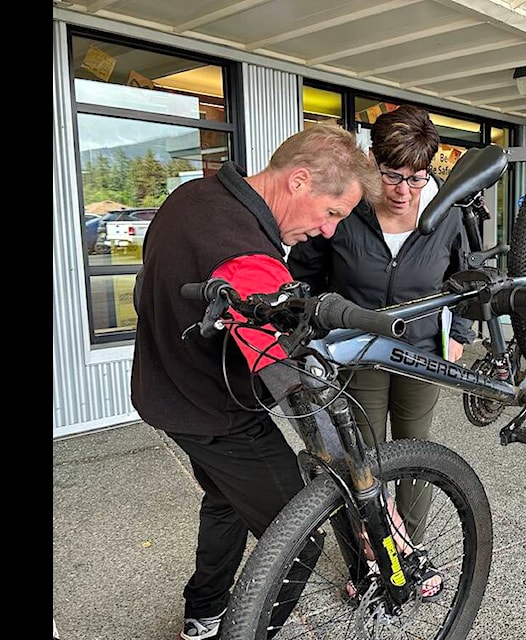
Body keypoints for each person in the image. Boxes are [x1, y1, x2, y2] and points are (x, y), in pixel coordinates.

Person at [131, 123, 381, 640]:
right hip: (218, 414)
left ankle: (204, 611)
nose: (330, 231)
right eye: (331, 213)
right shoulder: (248, 254)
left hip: (163, 391)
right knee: (298, 534)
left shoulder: (193, 197)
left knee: (225, 497)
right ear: (299, 181)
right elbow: (287, 382)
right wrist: (351, 470)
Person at [287, 104, 476, 551]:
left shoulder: (446, 211)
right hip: (357, 350)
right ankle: (371, 556)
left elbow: (467, 278)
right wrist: (309, 324)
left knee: (416, 453)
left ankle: (411, 550)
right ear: (373, 159)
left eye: (416, 177)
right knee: (362, 459)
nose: (403, 190)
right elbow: (306, 272)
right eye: (392, 174)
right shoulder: (347, 207)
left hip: (423, 351)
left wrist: (461, 334)